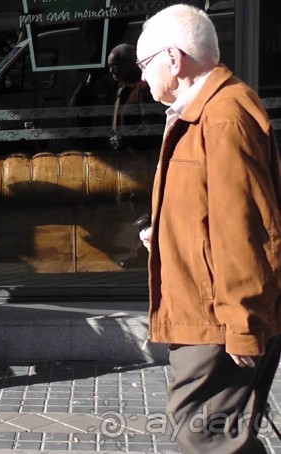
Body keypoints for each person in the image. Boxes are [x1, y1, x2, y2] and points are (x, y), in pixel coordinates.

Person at [136, 5, 281, 452]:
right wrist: (160, 234)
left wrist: (242, 322)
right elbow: (209, 210)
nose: (142, 78)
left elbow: (245, 228)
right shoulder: (203, 111)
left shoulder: (221, 117)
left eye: (145, 65)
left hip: (217, 318)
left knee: (204, 437)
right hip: (207, 310)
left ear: (174, 59)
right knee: (217, 436)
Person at [106, 43, 161, 152]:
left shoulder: (144, 88)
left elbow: (153, 128)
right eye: (110, 67)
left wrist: (126, 140)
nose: (111, 71)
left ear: (130, 64)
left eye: (115, 66)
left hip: (142, 161)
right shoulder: (122, 90)